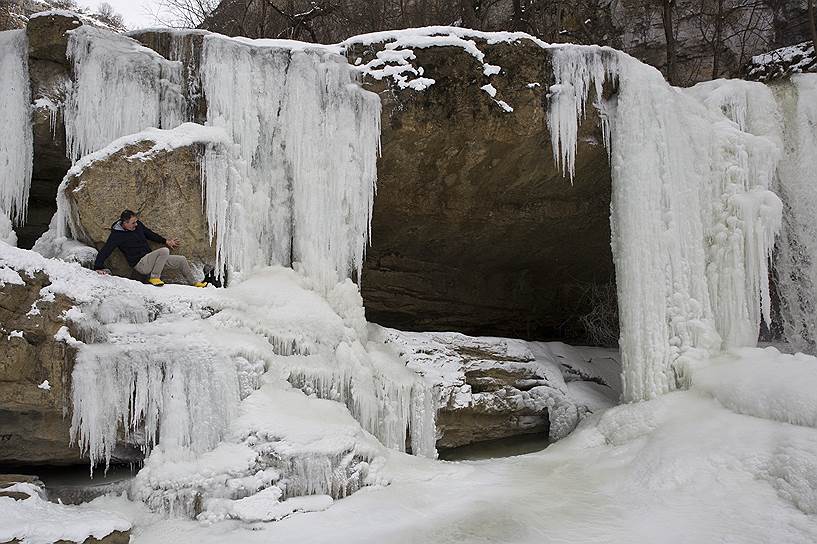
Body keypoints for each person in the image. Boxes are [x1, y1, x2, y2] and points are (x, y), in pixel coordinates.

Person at [94, 210, 208, 288]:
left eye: (136, 221)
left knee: (181, 259)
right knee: (164, 251)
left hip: (151, 259)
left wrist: (165, 241)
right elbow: (106, 250)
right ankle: (154, 278)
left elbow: (149, 234)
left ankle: (195, 283)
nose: (136, 224)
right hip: (140, 264)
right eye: (133, 223)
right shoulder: (117, 235)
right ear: (125, 223)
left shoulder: (137, 226)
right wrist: (98, 267)